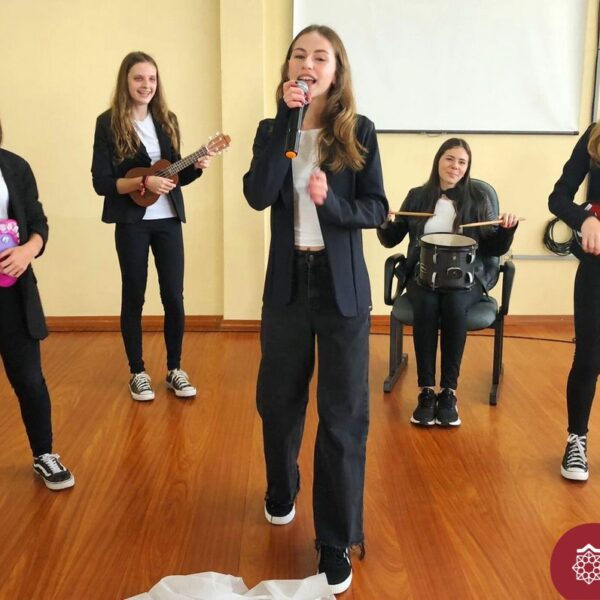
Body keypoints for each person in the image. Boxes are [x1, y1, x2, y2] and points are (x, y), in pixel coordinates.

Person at [243, 25, 388, 595]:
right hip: (287, 283)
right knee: (277, 401)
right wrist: (287, 121)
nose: (308, 63)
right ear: (289, 69)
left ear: (336, 70)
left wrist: (334, 207)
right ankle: (282, 488)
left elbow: (375, 208)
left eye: (320, 57)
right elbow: (258, 194)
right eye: (299, 55)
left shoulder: (359, 131)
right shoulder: (272, 129)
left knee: (343, 414)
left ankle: (334, 537)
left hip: (341, 287)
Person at [92, 51, 211, 402]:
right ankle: (138, 372)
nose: (146, 85)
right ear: (126, 82)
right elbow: (102, 182)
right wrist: (143, 182)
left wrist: (195, 167)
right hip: (132, 222)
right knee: (134, 295)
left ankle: (175, 369)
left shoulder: (167, 120)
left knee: (174, 296)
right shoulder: (107, 123)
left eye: (152, 79)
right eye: (139, 78)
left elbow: (172, 175)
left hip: (168, 220)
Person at [378, 138, 518, 427]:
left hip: (466, 278)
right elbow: (392, 238)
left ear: (467, 167)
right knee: (426, 305)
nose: (455, 166)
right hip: (423, 275)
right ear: (438, 161)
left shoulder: (478, 199)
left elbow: (493, 248)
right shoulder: (417, 196)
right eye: (450, 159)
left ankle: (449, 392)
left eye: (462, 162)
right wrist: (384, 221)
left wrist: (507, 229)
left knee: (454, 306)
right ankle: (426, 391)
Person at [0, 118, 74, 491]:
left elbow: (38, 222)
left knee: (29, 379)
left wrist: (28, 250)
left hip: (13, 289)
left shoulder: (15, 166)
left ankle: (44, 454)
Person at [548, 123, 600, 481]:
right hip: (597, 266)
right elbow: (559, 197)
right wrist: (585, 219)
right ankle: (576, 440)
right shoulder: (595, 134)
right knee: (589, 357)